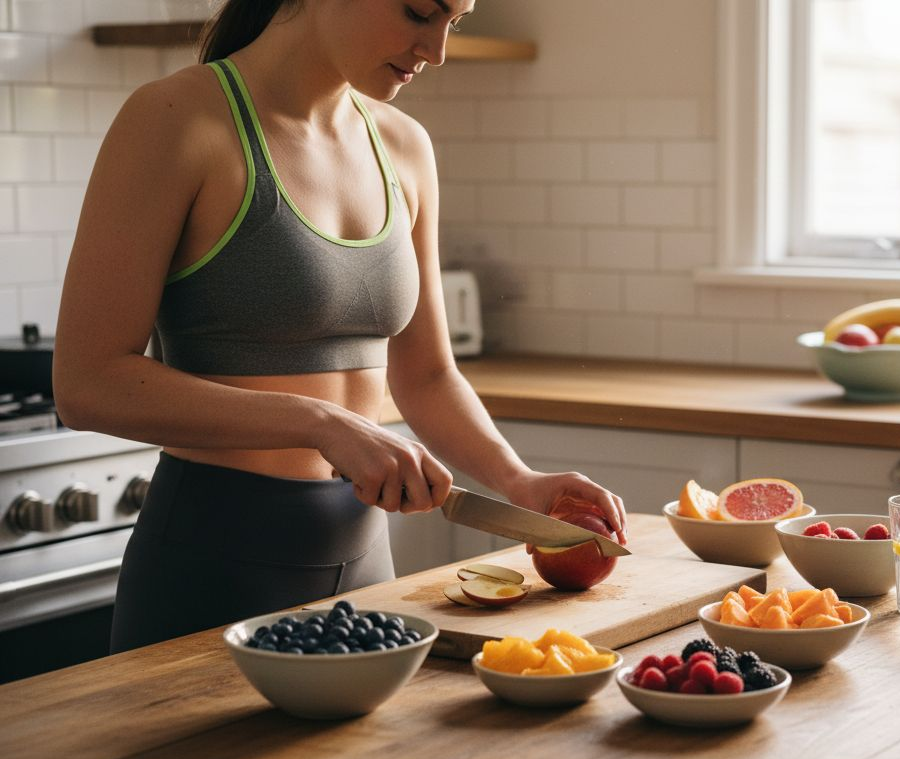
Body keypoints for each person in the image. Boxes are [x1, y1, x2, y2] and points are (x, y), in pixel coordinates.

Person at [53, 0, 627, 653]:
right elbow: (86, 382)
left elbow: (430, 375)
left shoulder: (405, 145)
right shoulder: (174, 119)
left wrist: (518, 480)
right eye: (419, 12)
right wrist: (322, 423)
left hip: (367, 575)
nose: (436, 49)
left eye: (456, 21)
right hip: (210, 571)